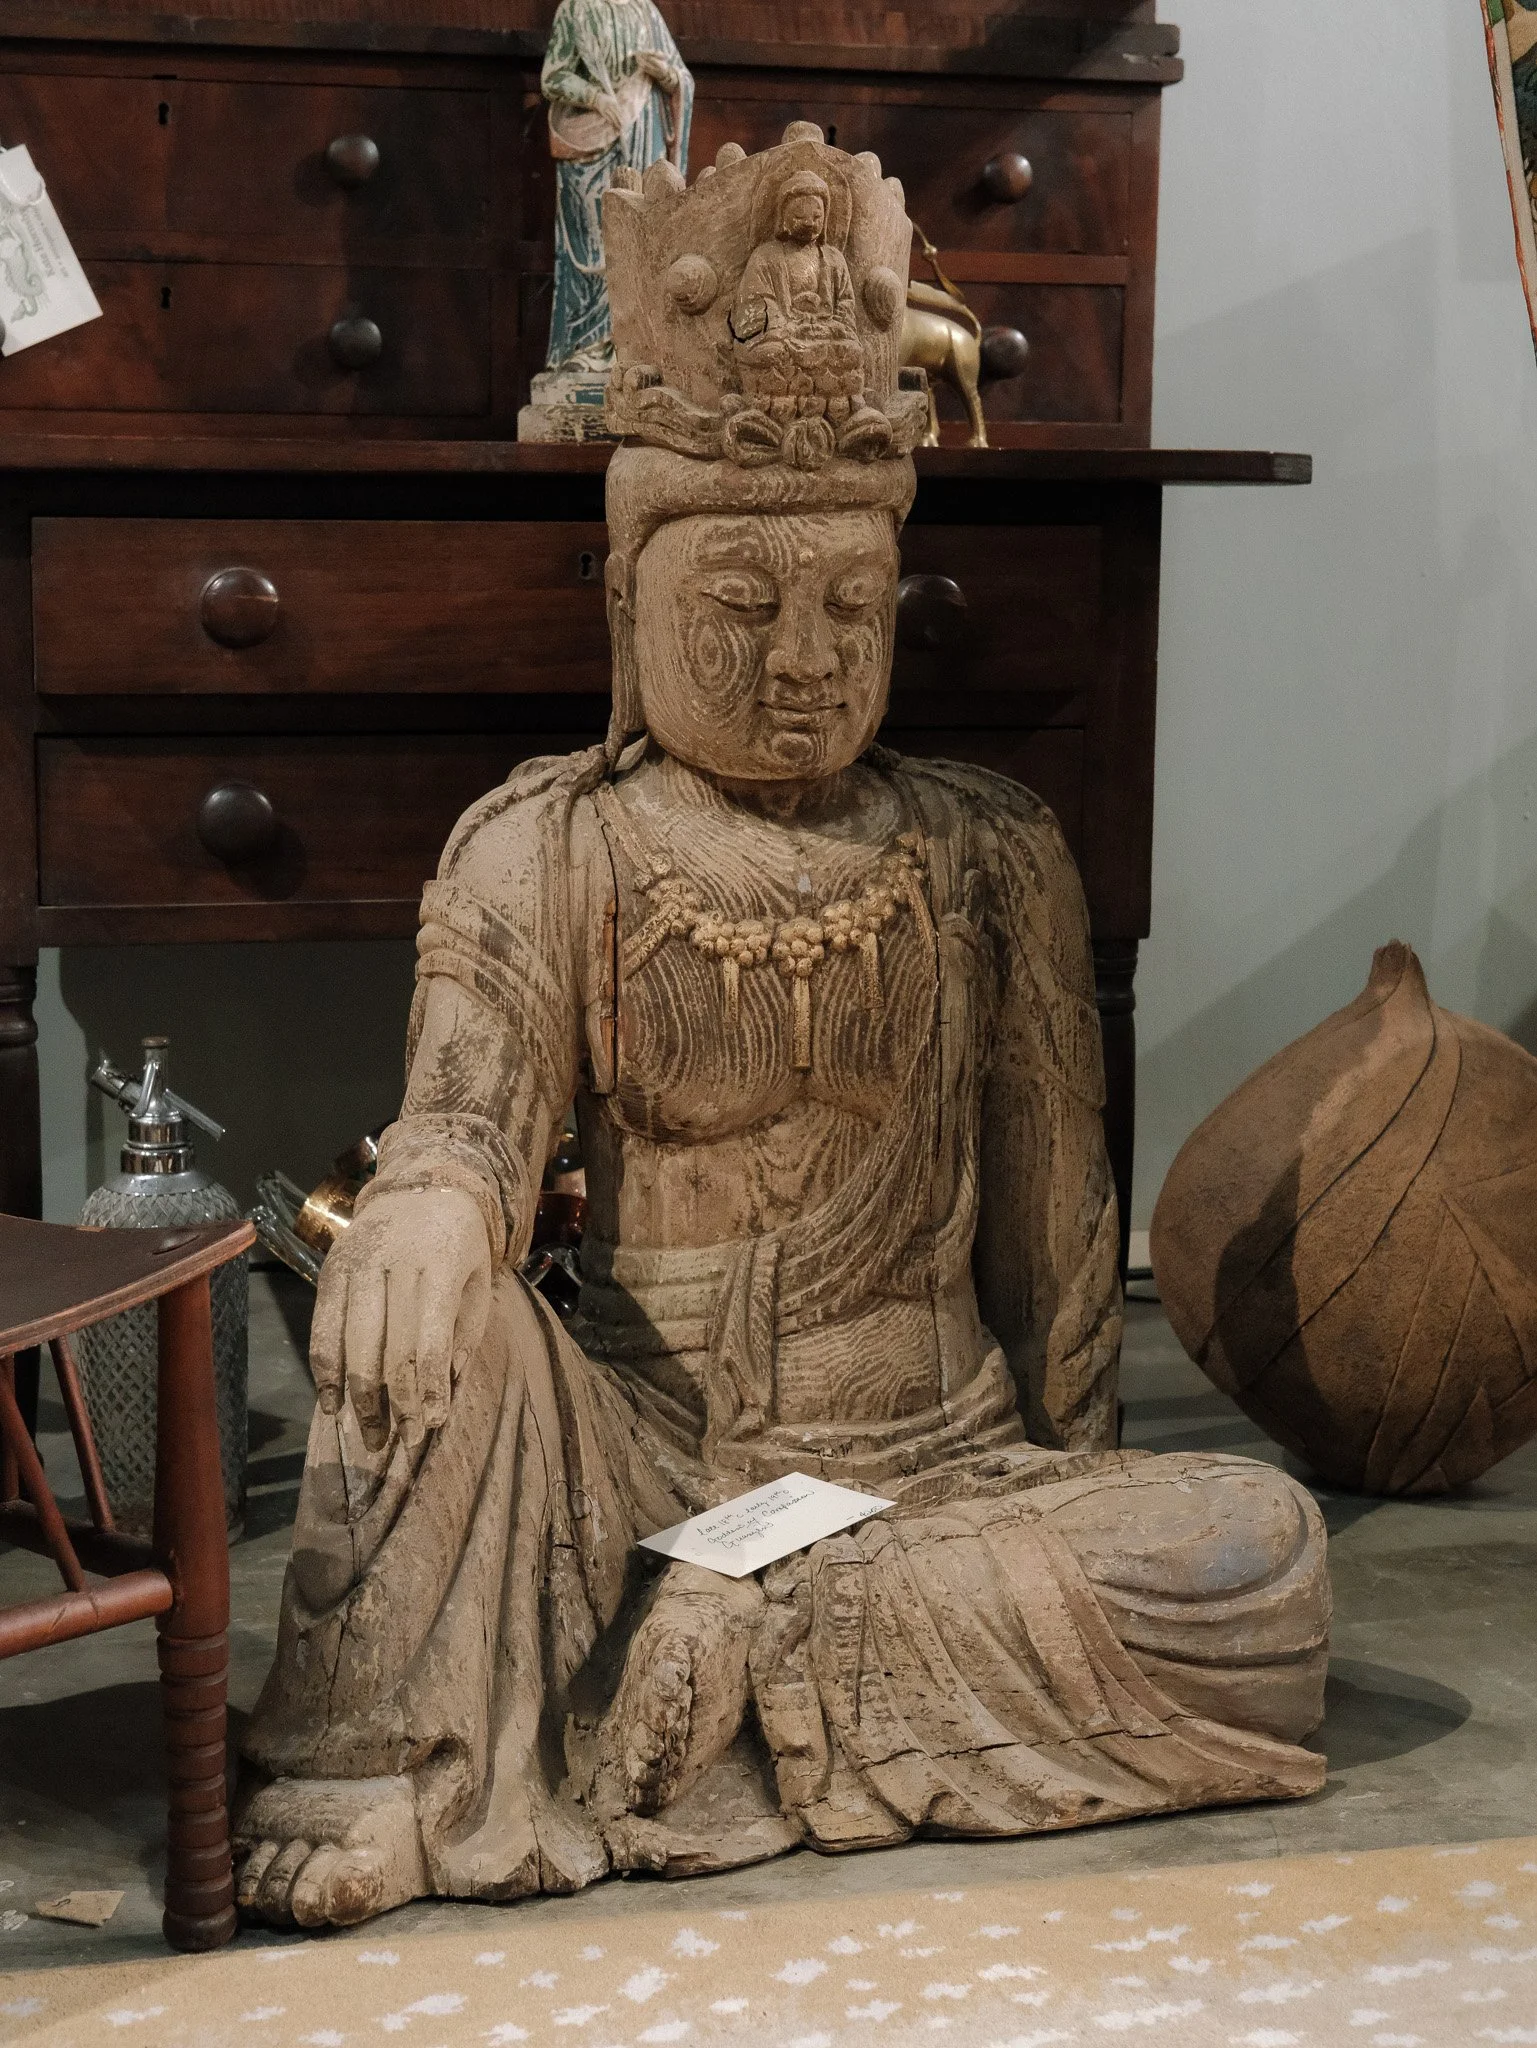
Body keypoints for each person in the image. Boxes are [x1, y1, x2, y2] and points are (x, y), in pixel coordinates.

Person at [235, 127, 1330, 1933]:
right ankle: (378, 1759)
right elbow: (464, 1119)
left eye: (847, 606)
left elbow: (1059, 1249)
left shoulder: (987, 852)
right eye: (738, 607)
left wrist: (1061, 1485)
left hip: (924, 1477)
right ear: (626, 605)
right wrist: (431, 1210)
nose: (803, 658)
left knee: (1256, 1555)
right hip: (638, 1469)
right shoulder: (551, 842)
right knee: (425, 1322)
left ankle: (760, 1645)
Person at [541, 0, 692, 373]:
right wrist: (595, 97)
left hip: (644, 136)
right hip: (593, 144)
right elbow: (552, 77)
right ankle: (585, 347)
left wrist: (668, 76)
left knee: (641, 234)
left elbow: (681, 78)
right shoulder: (575, 10)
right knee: (596, 239)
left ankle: (636, 347)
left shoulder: (645, 11)